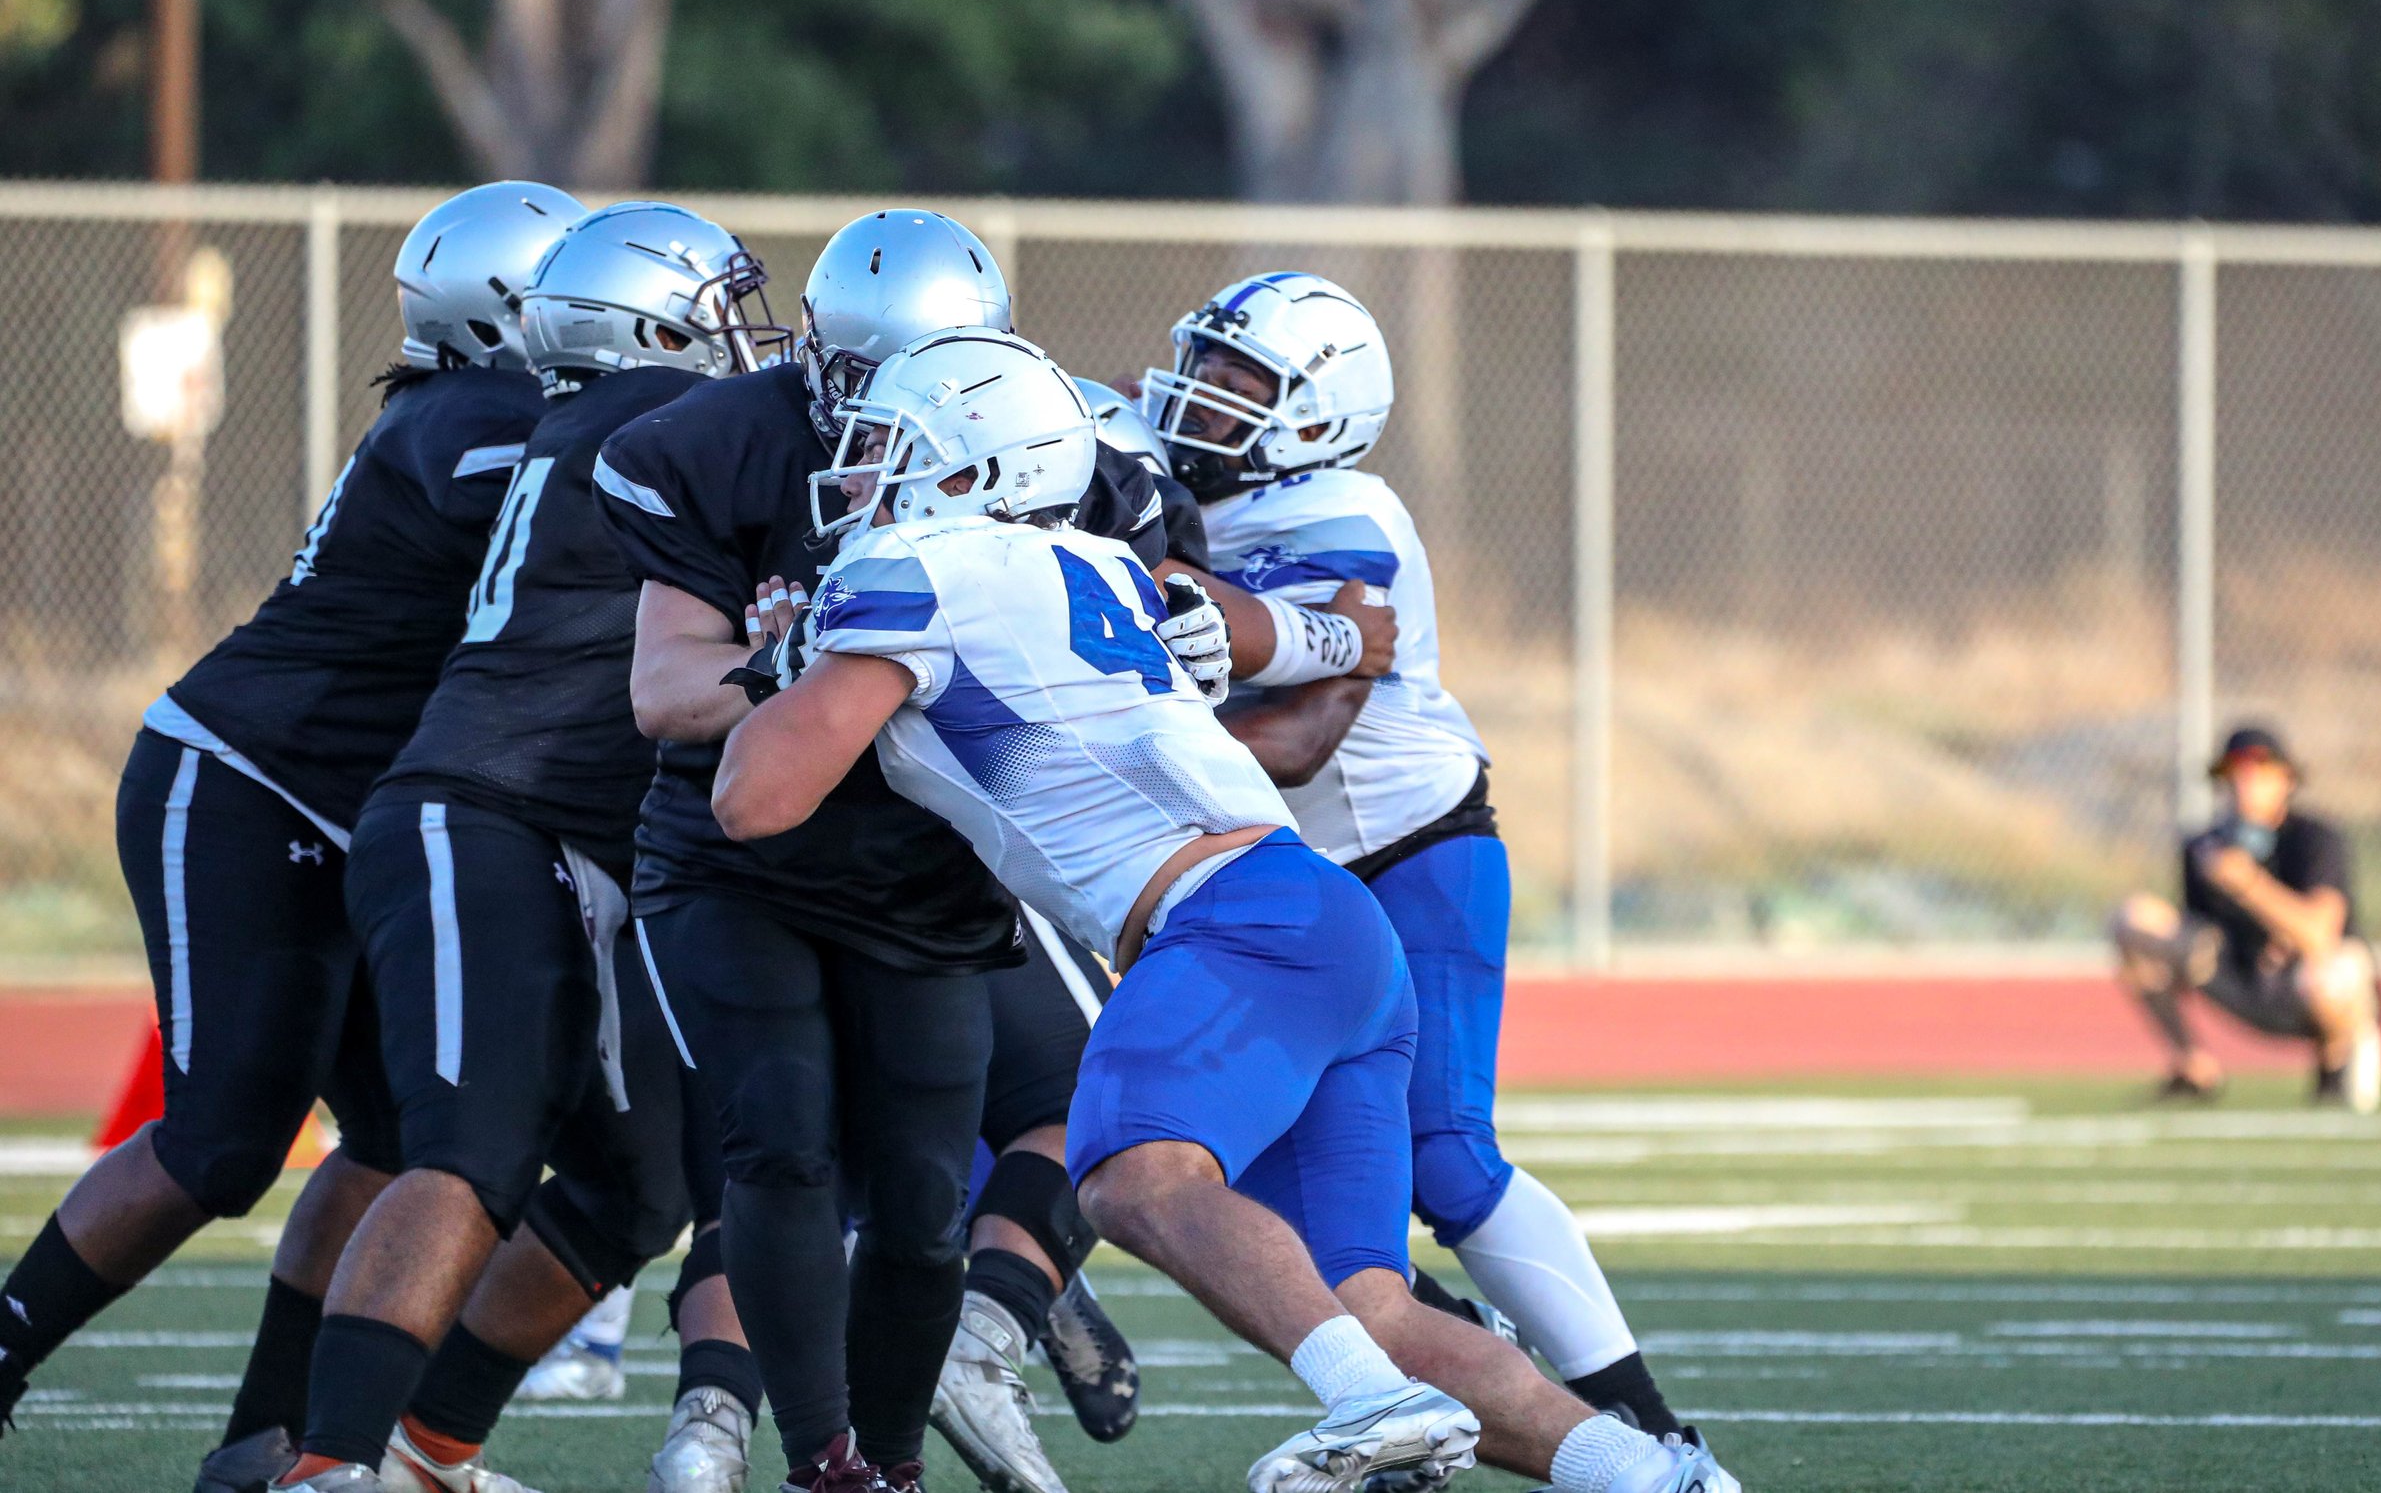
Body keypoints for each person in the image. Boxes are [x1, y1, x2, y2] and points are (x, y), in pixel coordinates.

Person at [714, 326, 1737, 1493]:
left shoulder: (917, 566)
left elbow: (755, 800)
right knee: (1370, 1305)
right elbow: (1220, 634)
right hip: (1329, 923)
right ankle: (1658, 1478)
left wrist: (780, 660)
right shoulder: (1094, 563)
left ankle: (1377, 1408)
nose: (860, 473)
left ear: (977, 469)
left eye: (892, 447)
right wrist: (1343, 635)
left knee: (1129, 1176)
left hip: (1224, 922)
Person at [593, 208, 1252, 1493]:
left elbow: (1164, 624)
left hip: (934, 865)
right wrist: (792, 670)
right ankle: (819, 1457)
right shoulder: (720, 446)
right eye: (876, 391)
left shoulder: (1070, 449)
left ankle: (887, 1459)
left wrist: (1213, 647)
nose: (893, 428)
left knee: (916, 1197)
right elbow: (666, 695)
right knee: (779, 1138)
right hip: (742, 856)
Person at [0, 183, 581, 1493]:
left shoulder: (490, 409)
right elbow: (580, 523)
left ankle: (270, 1444)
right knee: (222, 1140)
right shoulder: (476, 416)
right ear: (512, 314)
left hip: (356, 808)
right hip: (249, 784)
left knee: (395, 1141)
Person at [272, 200, 785, 1493]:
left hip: (562, 837)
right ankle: (328, 1467)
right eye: (720, 304)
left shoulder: (596, 424)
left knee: (641, 1181)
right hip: (483, 816)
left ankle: (429, 1450)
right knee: (475, 1149)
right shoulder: (653, 421)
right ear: (651, 321)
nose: (748, 334)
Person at [1141, 271, 1701, 1448]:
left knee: (1443, 1154)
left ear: (1315, 415)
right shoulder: (1150, 486)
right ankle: (1456, 1354)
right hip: (1278, 883)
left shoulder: (1337, 520)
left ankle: (1643, 1424)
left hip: (1403, 850)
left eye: (1240, 382)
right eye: (1201, 365)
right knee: (1234, 1175)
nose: (1199, 396)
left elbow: (1293, 742)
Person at [2110, 725, 2381, 1111]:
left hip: (2304, 986)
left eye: (2260, 771)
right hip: (2242, 976)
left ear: (2287, 778)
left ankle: (2337, 1060)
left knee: (2335, 971)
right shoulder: (2205, 847)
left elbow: (2320, 935)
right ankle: (2194, 1067)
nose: (2246, 783)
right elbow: (2197, 932)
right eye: (2237, 772)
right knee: (2133, 919)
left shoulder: (2314, 838)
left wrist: (2250, 885)